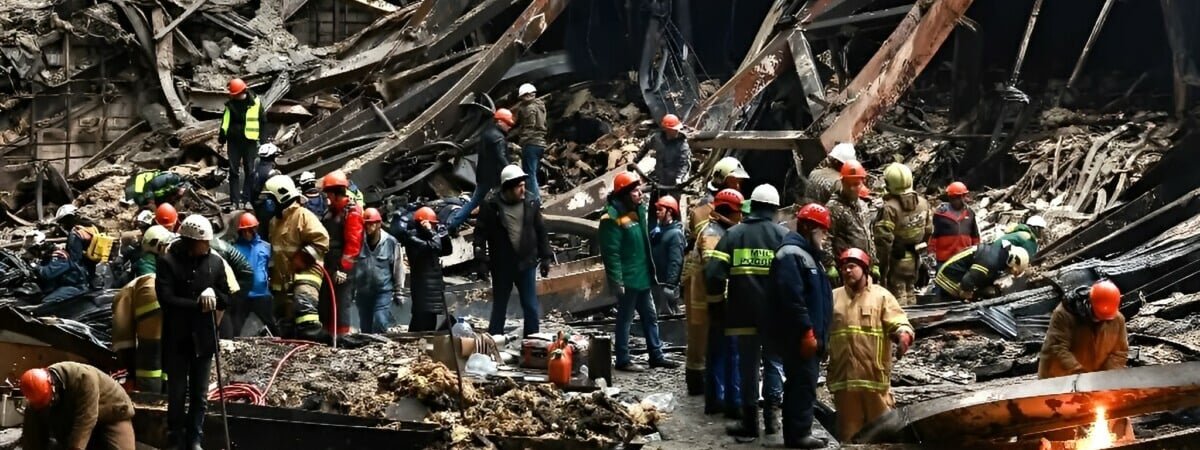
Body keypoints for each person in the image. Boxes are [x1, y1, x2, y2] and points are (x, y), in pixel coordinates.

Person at [705, 184, 789, 440]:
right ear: (774, 209)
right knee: (774, 363)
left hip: (742, 314)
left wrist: (717, 306)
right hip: (775, 317)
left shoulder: (733, 235)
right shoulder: (783, 236)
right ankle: (773, 421)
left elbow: (713, 274)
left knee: (748, 367)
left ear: (752, 206)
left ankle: (750, 424)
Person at [155, 214, 232, 449]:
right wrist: (197, 303)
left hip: (204, 338)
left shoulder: (215, 263)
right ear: (190, 241)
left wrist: (215, 296)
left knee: (200, 394)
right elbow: (166, 299)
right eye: (203, 242)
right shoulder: (168, 262)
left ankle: (195, 438)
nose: (207, 246)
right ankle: (176, 438)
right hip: (178, 338)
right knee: (177, 393)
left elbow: (226, 296)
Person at [828, 247, 914, 442]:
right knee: (849, 439)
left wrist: (903, 336)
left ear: (864, 269)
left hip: (874, 381)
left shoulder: (881, 296)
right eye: (843, 268)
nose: (847, 271)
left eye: (851, 266)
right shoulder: (833, 297)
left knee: (882, 437)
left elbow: (899, 322)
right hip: (844, 381)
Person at [598, 170, 679, 372]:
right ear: (624, 194)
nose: (639, 194)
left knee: (650, 316)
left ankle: (656, 355)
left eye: (639, 190)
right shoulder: (611, 218)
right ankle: (623, 359)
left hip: (642, 276)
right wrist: (616, 281)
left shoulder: (637, 210)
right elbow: (611, 253)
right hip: (628, 279)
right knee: (625, 319)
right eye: (635, 191)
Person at [768, 203, 834, 449]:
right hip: (798, 336)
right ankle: (798, 436)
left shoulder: (808, 256)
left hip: (809, 335)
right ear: (807, 227)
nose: (826, 236)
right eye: (823, 230)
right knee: (802, 383)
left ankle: (799, 431)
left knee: (804, 382)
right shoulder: (792, 254)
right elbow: (792, 299)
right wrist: (807, 331)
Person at [682, 157, 749, 397]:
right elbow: (709, 250)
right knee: (700, 334)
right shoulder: (704, 210)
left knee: (709, 336)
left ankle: (710, 384)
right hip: (702, 278)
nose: (739, 186)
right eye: (736, 181)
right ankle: (698, 384)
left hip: (707, 275)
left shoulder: (713, 207)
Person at [1038, 280, 1131, 441]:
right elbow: (1058, 348)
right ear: (1089, 303)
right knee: (1061, 429)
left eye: (1104, 319)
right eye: (1096, 317)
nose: (1099, 321)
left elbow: (1119, 352)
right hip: (1058, 377)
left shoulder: (1116, 320)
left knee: (1099, 415)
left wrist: (1104, 378)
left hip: (1092, 381)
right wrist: (1079, 374)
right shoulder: (1065, 314)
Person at [476, 165, 552, 336]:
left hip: (526, 263)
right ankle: (495, 342)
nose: (523, 190)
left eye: (524, 185)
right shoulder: (491, 206)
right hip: (502, 266)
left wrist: (546, 256)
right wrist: (481, 262)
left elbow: (540, 230)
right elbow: (480, 235)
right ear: (508, 187)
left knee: (531, 306)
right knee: (500, 307)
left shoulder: (531, 202)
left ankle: (532, 343)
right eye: (519, 187)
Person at [262, 174, 331, 341]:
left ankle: (316, 345)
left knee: (304, 311)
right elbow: (277, 252)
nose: (267, 203)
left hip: (306, 273)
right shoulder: (274, 222)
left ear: (282, 195)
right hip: (283, 277)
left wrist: (303, 257)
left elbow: (322, 241)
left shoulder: (303, 216)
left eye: (270, 198)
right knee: (284, 319)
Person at [695, 189, 745, 415]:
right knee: (729, 352)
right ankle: (728, 401)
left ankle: (716, 398)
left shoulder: (716, 230)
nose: (740, 218)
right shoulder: (715, 234)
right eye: (738, 213)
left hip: (715, 301)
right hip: (722, 302)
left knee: (717, 350)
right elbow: (714, 272)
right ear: (730, 211)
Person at [18, 362, 136, 450]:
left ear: (53, 387)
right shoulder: (36, 398)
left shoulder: (83, 378)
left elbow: (86, 419)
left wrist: (75, 448)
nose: (46, 405)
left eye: (48, 401)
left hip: (111, 413)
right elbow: (31, 438)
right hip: (73, 414)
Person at [112, 227, 172, 392]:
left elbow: (124, 343)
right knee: (162, 355)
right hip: (162, 307)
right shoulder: (156, 269)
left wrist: (130, 370)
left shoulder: (147, 272)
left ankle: (151, 399)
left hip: (146, 303)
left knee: (151, 357)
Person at [873, 163, 932, 306]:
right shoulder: (923, 203)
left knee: (896, 299)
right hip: (915, 259)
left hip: (896, 261)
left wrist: (881, 266)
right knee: (911, 293)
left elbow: (883, 240)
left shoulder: (889, 209)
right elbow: (929, 231)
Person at [449, 108, 512, 230]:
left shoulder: (487, 133)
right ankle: (507, 226)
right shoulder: (498, 138)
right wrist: (510, 171)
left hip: (483, 175)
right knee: (504, 202)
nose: (510, 127)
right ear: (500, 122)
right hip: (496, 177)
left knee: (474, 202)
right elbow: (501, 157)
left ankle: (451, 225)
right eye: (508, 123)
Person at [319, 170, 364, 336]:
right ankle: (327, 336)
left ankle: (342, 336)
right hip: (328, 265)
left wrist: (344, 270)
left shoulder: (351, 213)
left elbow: (353, 245)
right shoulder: (331, 212)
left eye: (328, 194)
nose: (326, 197)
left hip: (342, 270)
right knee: (326, 304)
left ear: (334, 193)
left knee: (341, 303)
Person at [400, 207, 452, 332]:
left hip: (433, 289)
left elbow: (447, 250)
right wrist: (432, 232)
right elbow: (435, 247)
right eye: (431, 225)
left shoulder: (429, 238)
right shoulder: (413, 239)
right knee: (421, 322)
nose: (433, 228)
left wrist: (444, 235)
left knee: (430, 322)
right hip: (423, 289)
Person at [355, 207, 405, 333]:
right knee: (365, 327)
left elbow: (398, 268)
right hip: (363, 292)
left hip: (382, 291)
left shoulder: (390, 242)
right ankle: (367, 350)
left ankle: (380, 347)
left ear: (378, 224)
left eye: (371, 224)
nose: (368, 227)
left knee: (380, 321)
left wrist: (399, 291)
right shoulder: (358, 241)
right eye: (365, 224)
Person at [825, 160, 876, 282]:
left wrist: (874, 262)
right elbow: (826, 237)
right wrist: (830, 264)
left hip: (863, 267)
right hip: (846, 269)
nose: (852, 188)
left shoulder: (863, 205)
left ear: (862, 182)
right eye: (849, 184)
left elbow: (869, 234)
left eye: (856, 184)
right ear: (842, 182)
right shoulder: (834, 208)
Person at [934, 240, 1030, 302]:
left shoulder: (998, 257)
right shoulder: (990, 261)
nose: (1009, 272)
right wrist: (968, 296)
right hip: (949, 277)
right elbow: (967, 281)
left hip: (954, 273)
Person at [219, 78, 263, 209]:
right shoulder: (230, 105)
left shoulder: (255, 103)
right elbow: (225, 123)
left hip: (249, 141)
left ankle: (247, 200)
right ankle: (235, 201)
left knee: (250, 171)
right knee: (233, 172)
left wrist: (263, 140)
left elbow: (263, 120)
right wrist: (222, 138)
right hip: (234, 142)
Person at [231, 212, 275, 336]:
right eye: (244, 231)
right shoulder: (234, 248)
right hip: (242, 293)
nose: (247, 233)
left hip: (262, 293)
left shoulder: (266, 247)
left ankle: (280, 341)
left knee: (271, 323)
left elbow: (271, 267)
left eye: (249, 230)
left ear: (255, 229)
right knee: (236, 325)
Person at [929, 181, 980, 269]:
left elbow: (975, 235)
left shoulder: (970, 213)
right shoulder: (940, 214)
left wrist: (978, 251)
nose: (961, 200)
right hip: (944, 259)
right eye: (957, 197)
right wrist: (931, 252)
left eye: (963, 196)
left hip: (964, 257)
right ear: (950, 198)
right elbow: (933, 235)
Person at [512, 83, 547, 202]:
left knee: (529, 174)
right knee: (533, 172)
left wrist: (521, 143)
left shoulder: (528, 108)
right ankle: (536, 197)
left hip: (531, 143)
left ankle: (535, 201)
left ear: (526, 95)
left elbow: (528, 128)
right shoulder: (540, 105)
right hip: (541, 143)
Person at [650, 195, 684, 315]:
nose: (657, 212)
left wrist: (670, 285)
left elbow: (676, 261)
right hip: (656, 284)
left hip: (666, 286)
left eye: (661, 210)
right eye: (657, 210)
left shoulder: (676, 234)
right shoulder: (659, 231)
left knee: (668, 319)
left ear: (669, 212)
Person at [644, 113, 691, 200]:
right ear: (666, 129)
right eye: (674, 129)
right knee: (656, 205)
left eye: (677, 129)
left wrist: (680, 180)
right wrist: (635, 160)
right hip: (659, 179)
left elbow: (684, 165)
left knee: (672, 207)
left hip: (673, 184)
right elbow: (646, 146)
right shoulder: (657, 139)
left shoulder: (682, 145)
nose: (677, 131)